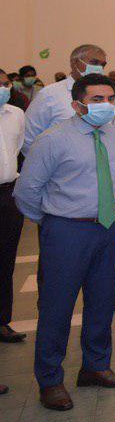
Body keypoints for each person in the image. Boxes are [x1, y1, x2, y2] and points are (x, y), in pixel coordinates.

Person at [15, 74, 115, 411]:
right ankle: (50, 380)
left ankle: (96, 366)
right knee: (57, 306)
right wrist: (54, 223)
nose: (106, 105)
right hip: (67, 230)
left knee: (102, 300)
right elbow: (26, 192)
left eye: (110, 99)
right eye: (97, 99)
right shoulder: (53, 140)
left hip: (108, 227)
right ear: (77, 105)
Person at [0, 70, 25, 346]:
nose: (3, 89)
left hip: (8, 193)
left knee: (6, 260)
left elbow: (19, 149)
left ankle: (2, 321)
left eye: (5, 84)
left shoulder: (16, 114)